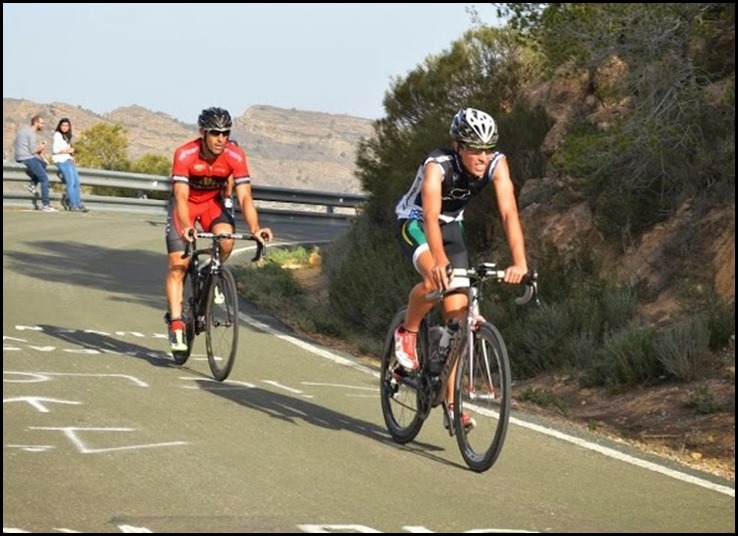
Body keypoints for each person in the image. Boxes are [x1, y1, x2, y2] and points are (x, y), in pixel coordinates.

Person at [394, 107, 529, 431]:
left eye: (488, 149)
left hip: (452, 227)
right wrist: (439, 259)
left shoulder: (497, 164)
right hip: (415, 222)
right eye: (475, 149)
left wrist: (520, 261)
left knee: (457, 322)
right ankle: (408, 331)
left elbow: (509, 211)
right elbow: (429, 214)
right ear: (459, 146)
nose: (483, 157)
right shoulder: (437, 166)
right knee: (435, 279)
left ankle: (451, 403)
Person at [164, 106, 273, 352]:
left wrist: (255, 228)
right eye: (215, 133)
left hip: (211, 206)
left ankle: (207, 271)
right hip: (186, 207)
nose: (221, 139)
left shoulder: (235, 156)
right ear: (202, 132)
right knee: (177, 265)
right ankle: (176, 323)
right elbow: (180, 196)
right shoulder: (185, 154)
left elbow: (245, 198)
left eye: (225, 133)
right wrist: (188, 227)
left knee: (226, 240)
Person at [13, 115, 56, 211]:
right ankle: (46, 205)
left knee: (43, 164)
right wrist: (42, 146)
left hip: (20, 157)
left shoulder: (24, 130)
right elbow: (32, 151)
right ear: (36, 123)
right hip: (26, 158)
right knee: (44, 179)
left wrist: (43, 158)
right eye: (41, 123)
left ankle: (32, 184)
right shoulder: (31, 133)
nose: (43, 125)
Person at [52, 117, 88, 212]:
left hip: (68, 160)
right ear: (60, 126)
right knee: (71, 183)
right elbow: (55, 150)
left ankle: (78, 203)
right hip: (61, 161)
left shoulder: (66, 137)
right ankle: (72, 204)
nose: (65, 127)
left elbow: (67, 152)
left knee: (77, 183)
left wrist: (72, 157)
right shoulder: (57, 135)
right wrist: (68, 151)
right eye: (63, 125)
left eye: (67, 125)